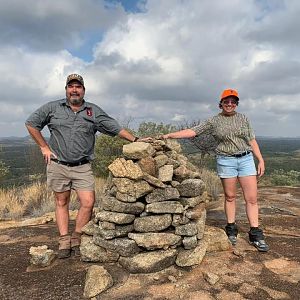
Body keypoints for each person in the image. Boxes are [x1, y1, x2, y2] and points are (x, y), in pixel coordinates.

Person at [25, 74, 145, 258]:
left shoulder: (93, 111)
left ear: (83, 90)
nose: (74, 90)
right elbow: (31, 123)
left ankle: (78, 236)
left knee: (88, 202)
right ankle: (64, 240)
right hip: (58, 164)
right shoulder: (52, 108)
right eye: (71, 86)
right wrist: (43, 147)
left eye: (78, 87)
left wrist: (136, 139)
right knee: (61, 201)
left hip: (82, 166)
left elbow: (114, 127)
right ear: (66, 89)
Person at [162, 89, 269, 252]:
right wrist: (170, 135)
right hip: (226, 160)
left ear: (236, 104)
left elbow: (251, 140)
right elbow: (194, 131)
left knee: (252, 198)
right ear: (221, 103)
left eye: (233, 101)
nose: (230, 104)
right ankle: (231, 228)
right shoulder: (214, 121)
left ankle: (255, 233)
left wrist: (260, 159)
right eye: (227, 101)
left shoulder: (243, 118)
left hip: (246, 158)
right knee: (230, 196)